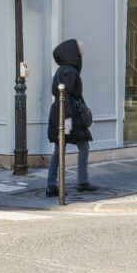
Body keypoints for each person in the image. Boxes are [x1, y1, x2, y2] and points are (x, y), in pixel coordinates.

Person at [46, 39, 95, 197]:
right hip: (67, 116)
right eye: (79, 49)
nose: (82, 52)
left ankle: (52, 185)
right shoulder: (70, 72)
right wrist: (66, 123)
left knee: (59, 149)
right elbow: (65, 97)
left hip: (62, 114)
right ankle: (80, 182)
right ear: (72, 52)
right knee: (83, 146)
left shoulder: (62, 70)